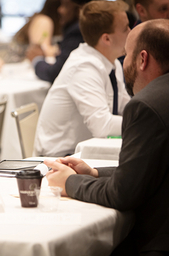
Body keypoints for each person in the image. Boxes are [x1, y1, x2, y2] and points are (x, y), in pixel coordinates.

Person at [45, 19, 169, 255]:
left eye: (127, 54)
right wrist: (94, 173)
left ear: (142, 59)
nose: (123, 62)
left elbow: (122, 195)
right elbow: (148, 172)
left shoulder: (147, 105)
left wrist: (69, 182)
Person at [34, 0, 131, 157]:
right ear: (106, 39)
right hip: (59, 159)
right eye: (125, 28)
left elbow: (125, 109)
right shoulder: (84, 67)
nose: (131, 32)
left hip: (86, 152)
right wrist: (144, 123)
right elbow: (103, 126)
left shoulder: (111, 62)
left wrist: (144, 116)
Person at [26, 0, 88, 83]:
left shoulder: (77, 30)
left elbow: (55, 72)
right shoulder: (44, 21)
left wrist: (37, 59)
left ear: (79, 9)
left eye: (65, 5)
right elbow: (40, 48)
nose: (60, 10)